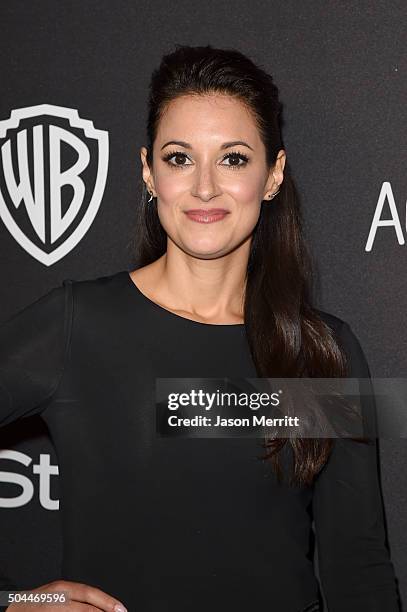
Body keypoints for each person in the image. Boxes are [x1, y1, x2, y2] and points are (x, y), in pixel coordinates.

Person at [0, 44, 400, 612]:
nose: (205, 187)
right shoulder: (77, 325)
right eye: (180, 158)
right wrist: (13, 600)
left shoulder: (323, 352)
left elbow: (359, 568)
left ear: (273, 175)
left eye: (233, 158)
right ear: (147, 171)